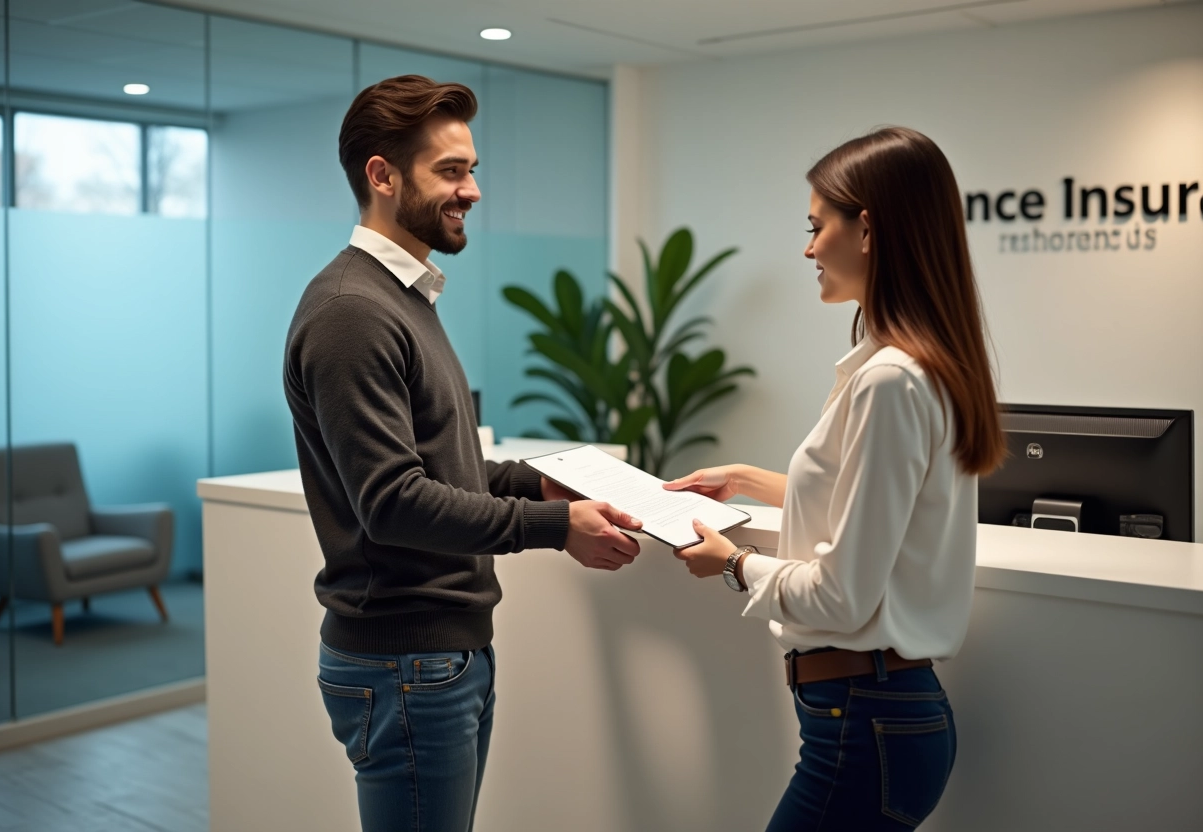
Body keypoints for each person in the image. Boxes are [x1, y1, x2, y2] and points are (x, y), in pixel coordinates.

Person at [283, 75, 642, 832]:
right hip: (404, 663)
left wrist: (546, 482)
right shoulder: (353, 310)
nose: (472, 190)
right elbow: (391, 503)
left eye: (471, 169)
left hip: (440, 656)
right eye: (452, 171)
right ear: (382, 175)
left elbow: (441, 463)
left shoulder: (405, 297)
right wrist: (553, 529)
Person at [665, 126, 1004, 831]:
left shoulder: (889, 380)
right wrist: (748, 479)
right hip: (880, 720)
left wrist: (735, 564)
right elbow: (879, 507)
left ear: (869, 228)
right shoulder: (920, 367)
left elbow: (845, 596)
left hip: (865, 722)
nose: (808, 248)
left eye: (817, 227)